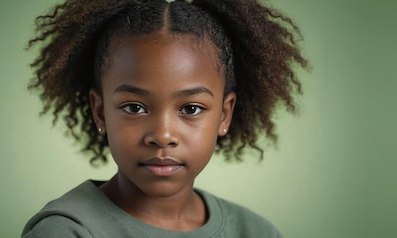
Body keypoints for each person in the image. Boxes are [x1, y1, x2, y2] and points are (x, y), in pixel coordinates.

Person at [21, 0, 307, 237]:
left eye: (191, 109)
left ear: (224, 114)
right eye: (134, 107)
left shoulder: (255, 232)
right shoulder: (67, 231)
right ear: (100, 111)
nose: (163, 135)